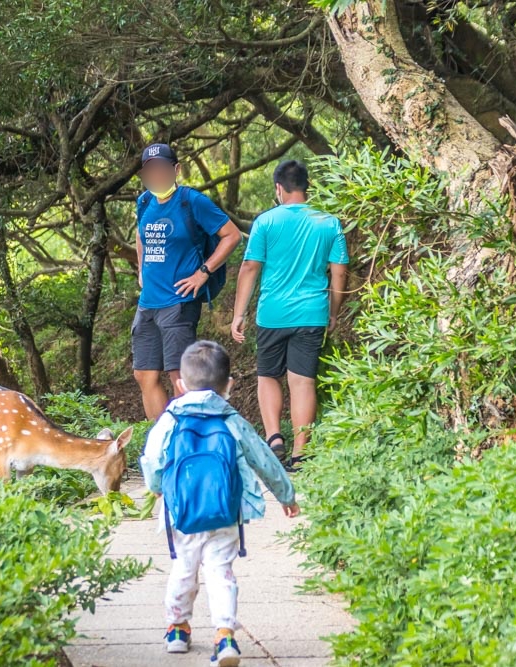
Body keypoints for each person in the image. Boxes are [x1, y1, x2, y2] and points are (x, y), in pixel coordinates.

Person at [140, 340, 299, 666]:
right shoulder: (232, 419)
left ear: (180, 384)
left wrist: (157, 488)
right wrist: (287, 495)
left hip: (181, 512)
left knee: (183, 568)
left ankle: (177, 630)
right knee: (220, 571)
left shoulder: (169, 419)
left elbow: (152, 458)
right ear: (229, 385)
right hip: (225, 512)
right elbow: (264, 459)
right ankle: (224, 635)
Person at [231, 159, 348, 471]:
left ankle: (274, 438)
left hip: (273, 313)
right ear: (306, 187)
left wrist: (238, 314)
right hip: (312, 313)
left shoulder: (266, 222)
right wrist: (334, 312)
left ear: (279, 188)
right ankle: (300, 452)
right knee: (302, 381)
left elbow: (250, 267)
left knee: (268, 376)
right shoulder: (329, 223)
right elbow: (339, 274)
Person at [133, 143, 241, 421]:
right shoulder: (144, 201)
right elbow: (140, 235)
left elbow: (232, 235)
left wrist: (203, 272)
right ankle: (164, 440)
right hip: (148, 303)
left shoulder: (191, 201)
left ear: (175, 169)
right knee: (144, 374)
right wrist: (142, 270)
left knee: (179, 375)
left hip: (179, 302)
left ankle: (188, 440)